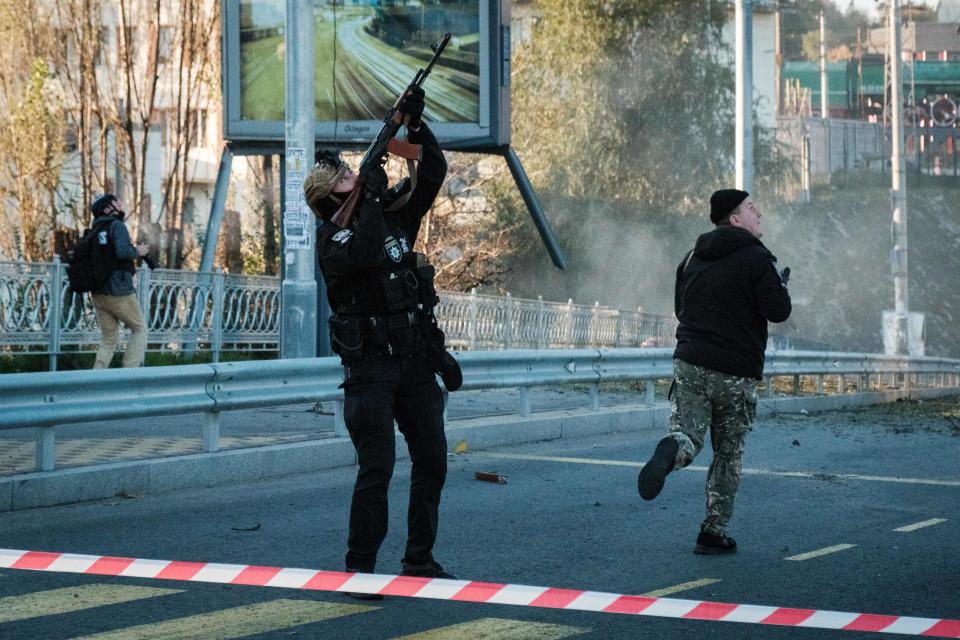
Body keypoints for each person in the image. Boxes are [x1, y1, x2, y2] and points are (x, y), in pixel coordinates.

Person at [303, 86, 461, 593]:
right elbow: (367, 248)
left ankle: (419, 559)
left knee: (432, 458)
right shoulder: (334, 240)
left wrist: (414, 126)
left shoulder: (386, 213)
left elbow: (431, 175)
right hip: (369, 369)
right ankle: (360, 567)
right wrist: (367, 193)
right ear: (334, 198)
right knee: (378, 468)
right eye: (349, 176)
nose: (360, 174)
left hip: (413, 361)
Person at [637, 189, 791, 554]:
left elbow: (680, 307)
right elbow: (779, 310)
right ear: (735, 220)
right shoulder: (757, 258)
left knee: (688, 434)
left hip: (689, 361)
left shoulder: (692, 257)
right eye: (752, 209)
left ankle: (673, 449)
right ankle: (712, 531)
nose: (759, 213)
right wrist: (779, 285)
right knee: (728, 453)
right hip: (734, 371)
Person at [88, 194, 150, 369]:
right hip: (119, 291)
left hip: (98, 292)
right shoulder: (117, 226)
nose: (121, 203)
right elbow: (123, 252)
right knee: (139, 329)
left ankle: (95, 377)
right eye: (116, 201)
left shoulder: (94, 229)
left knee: (109, 338)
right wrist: (137, 251)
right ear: (107, 208)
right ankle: (128, 374)